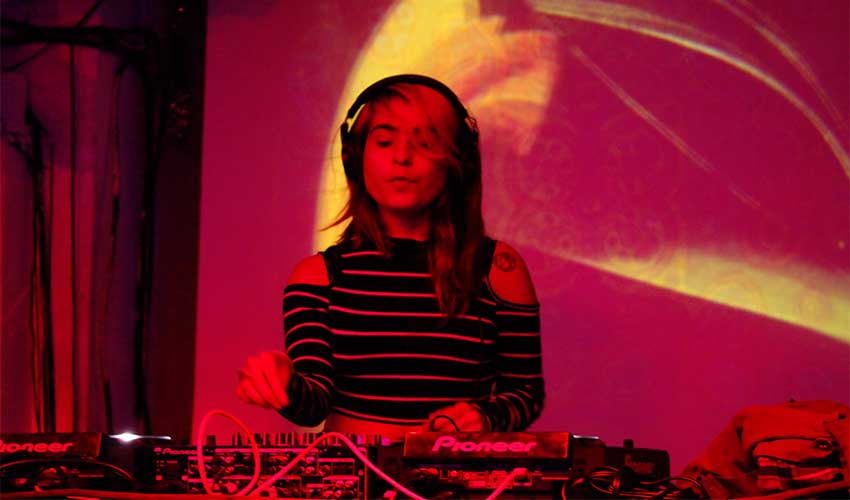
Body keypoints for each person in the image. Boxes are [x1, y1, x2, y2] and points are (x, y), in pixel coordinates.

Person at [236, 75, 543, 438]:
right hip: (350, 470)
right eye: (384, 141)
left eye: (425, 142)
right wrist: (284, 381)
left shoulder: (498, 269)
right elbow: (314, 404)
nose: (402, 157)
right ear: (355, 157)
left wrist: (485, 417)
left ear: (456, 161)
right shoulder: (316, 277)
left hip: (455, 471)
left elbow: (526, 392)